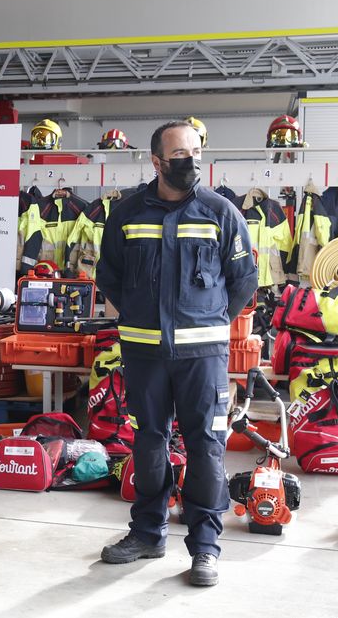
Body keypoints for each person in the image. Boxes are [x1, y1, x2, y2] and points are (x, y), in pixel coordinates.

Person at [95, 121, 257, 586]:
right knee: (148, 442)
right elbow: (111, 276)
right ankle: (147, 533)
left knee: (206, 446)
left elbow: (244, 280)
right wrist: (143, 317)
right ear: (157, 161)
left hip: (202, 356)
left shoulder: (221, 212)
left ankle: (205, 548)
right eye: (179, 154)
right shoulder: (126, 214)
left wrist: (209, 321)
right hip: (144, 352)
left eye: (195, 152)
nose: (190, 161)